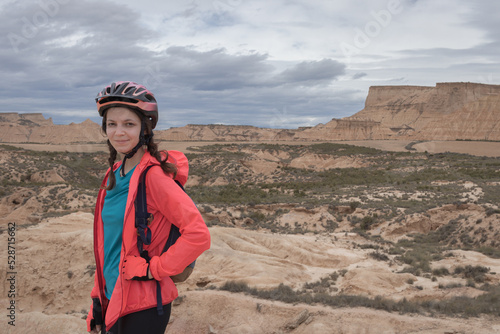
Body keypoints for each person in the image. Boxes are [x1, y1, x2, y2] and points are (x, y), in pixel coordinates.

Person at [86, 81, 211, 334]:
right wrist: (97, 299)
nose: (119, 132)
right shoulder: (113, 175)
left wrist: (152, 269)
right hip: (113, 296)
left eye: (129, 124)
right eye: (112, 124)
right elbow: (108, 246)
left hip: (144, 305)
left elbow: (198, 235)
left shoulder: (153, 176)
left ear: (145, 128)